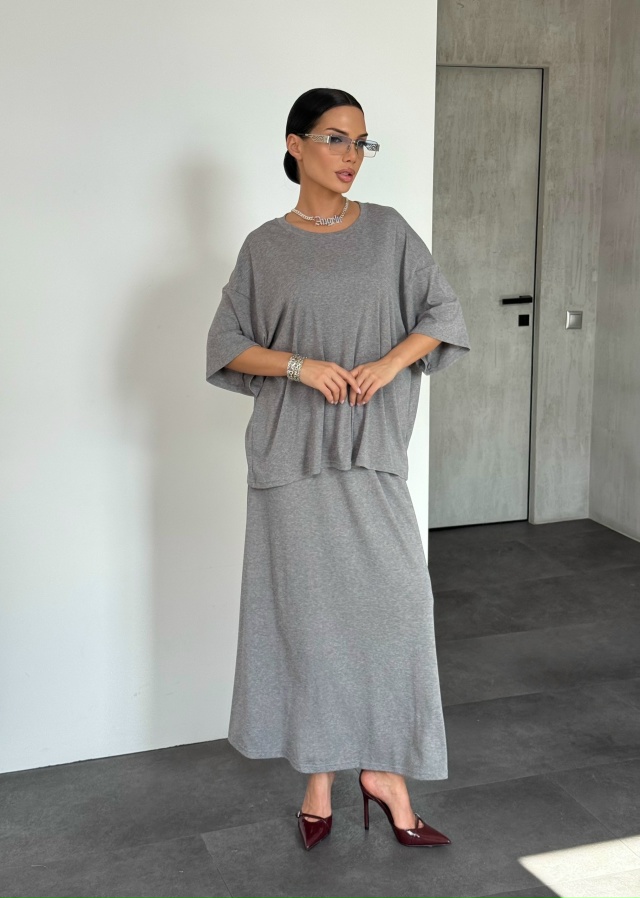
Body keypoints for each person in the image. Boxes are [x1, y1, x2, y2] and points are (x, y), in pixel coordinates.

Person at [205, 87, 470, 851]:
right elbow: (227, 345)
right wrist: (299, 365)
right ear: (294, 145)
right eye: (334, 138)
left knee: (398, 611)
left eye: (361, 142)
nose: (351, 156)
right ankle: (319, 778)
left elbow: (442, 315)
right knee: (309, 626)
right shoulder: (264, 247)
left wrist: (387, 364)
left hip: (370, 455)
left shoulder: (388, 233)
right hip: (290, 463)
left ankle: (384, 772)